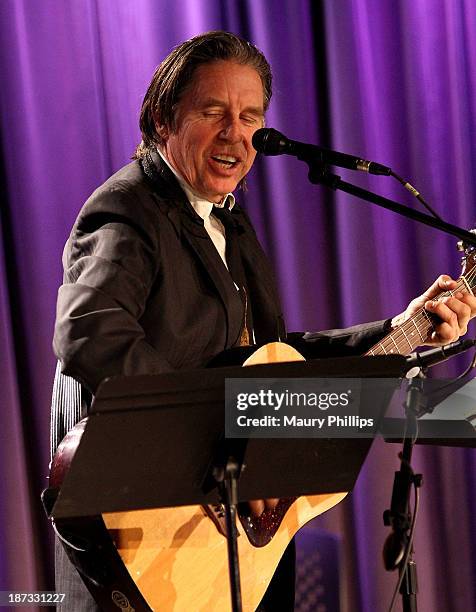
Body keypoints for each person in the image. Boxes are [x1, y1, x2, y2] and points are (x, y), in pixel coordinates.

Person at [50, 30, 476, 611]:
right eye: (212, 112)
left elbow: (274, 359)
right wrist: (211, 452)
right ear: (161, 120)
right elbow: (90, 333)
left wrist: (397, 331)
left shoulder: (231, 223)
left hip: (236, 557)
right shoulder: (127, 209)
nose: (236, 134)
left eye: (251, 117)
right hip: (144, 546)